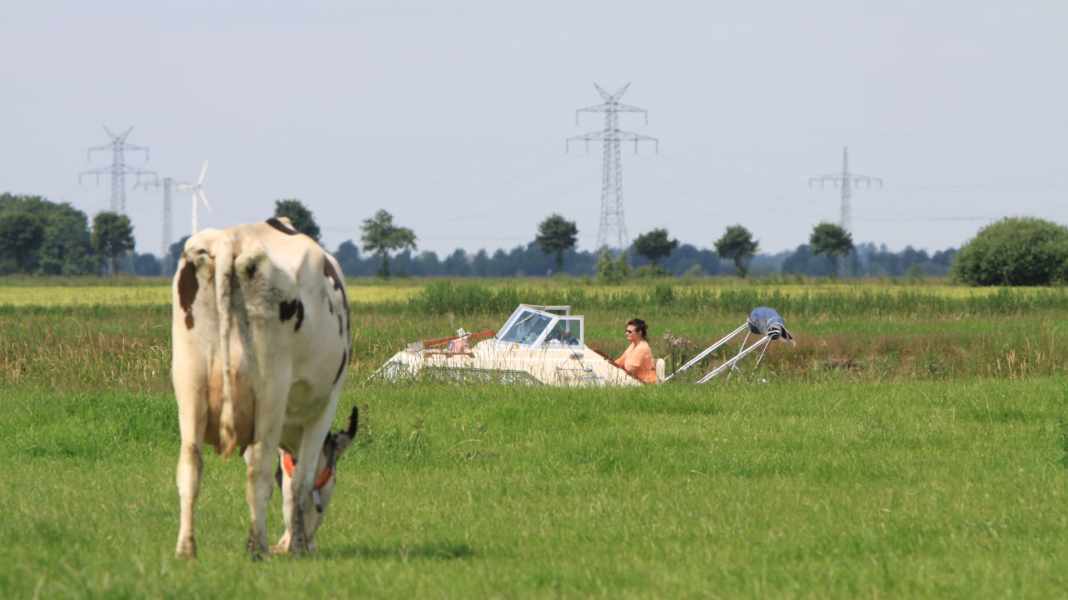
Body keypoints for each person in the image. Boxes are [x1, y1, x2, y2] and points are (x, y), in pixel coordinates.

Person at [615, 318, 657, 384]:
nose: (626, 333)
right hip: (635, 381)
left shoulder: (642, 347)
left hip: (645, 382)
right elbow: (620, 361)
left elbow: (630, 368)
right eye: (626, 331)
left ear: (639, 332)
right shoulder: (633, 345)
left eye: (629, 332)